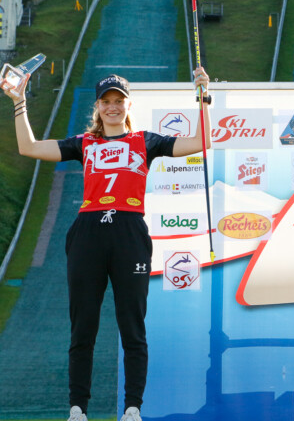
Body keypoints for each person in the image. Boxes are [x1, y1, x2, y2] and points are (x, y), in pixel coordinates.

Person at [3, 69, 212, 421]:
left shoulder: (146, 141)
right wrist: (19, 101)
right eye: (106, 102)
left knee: (132, 324)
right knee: (83, 325)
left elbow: (199, 142)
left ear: (128, 105)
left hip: (129, 231)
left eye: (118, 101)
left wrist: (203, 95)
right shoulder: (84, 143)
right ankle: (77, 409)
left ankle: (132, 409)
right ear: (97, 107)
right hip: (88, 232)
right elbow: (28, 147)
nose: (112, 107)